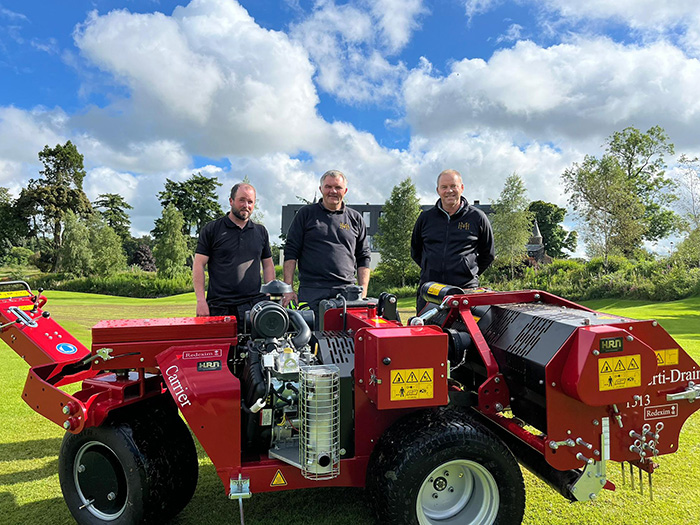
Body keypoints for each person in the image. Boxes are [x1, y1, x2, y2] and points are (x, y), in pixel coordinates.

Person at [281, 169, 371, 315]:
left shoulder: (355, 219)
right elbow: (291, 252)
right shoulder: (305, 214)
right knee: (310, 336)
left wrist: (363, 292)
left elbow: (364, 257)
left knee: (347, 337)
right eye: (328, 187)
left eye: (338, 187)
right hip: (311, 292)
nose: (333, 191)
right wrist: (288, 289)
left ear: (345, 190)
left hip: (347, 292)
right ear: (321, 189)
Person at [411, 169, 494, 314]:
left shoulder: (477, 217)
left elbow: (488, 254)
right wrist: (431, 268)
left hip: (465, 292)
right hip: (430, 292)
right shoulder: (425, 218)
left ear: (461, 188)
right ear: (438, 190)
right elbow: (416, 251)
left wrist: (467, 271)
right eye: (444, 187)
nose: (449, 191)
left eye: (453, 186)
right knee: (427, 335)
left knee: (465, 336)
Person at [193, 182, 275, 325]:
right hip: (220, 307)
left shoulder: (260, 231)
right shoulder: (212, 229)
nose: (246, 205)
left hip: (254, 306)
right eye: (241, 200)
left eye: (250, 202)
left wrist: (269, 294)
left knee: (255, 348)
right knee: (221, 348)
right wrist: (200, 301)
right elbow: (199, 264)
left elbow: (267, 264)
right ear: (231, 201)